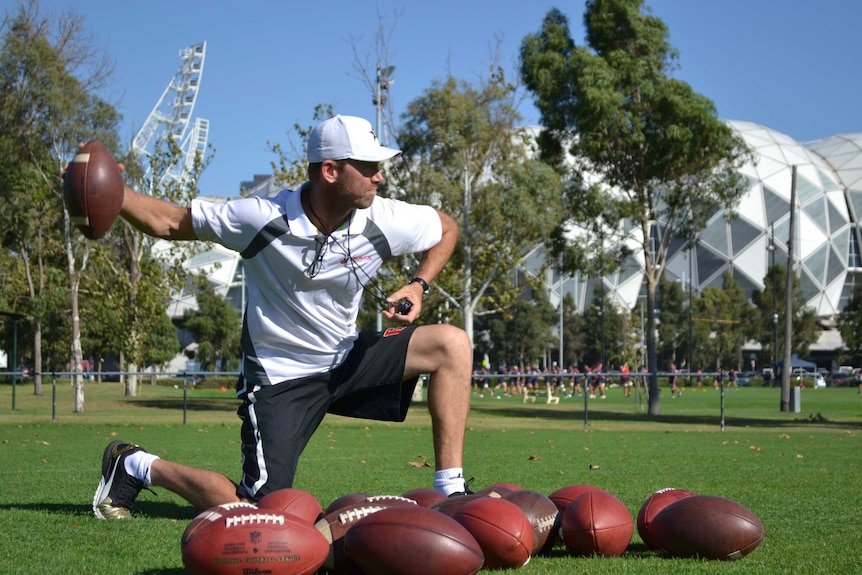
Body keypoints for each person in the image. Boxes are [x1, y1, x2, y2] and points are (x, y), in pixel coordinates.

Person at [91, 115, 474, 519]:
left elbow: (445, 228)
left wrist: (419, 284)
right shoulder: (260, 218)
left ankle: (451, 491)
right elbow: (168, 222)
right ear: (330, 171)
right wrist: (111, 191)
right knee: (259, 513)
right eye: (367, 167)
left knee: (452, 344)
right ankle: (134, 465)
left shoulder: (382, 218)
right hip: (280, 378)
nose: (378, 177)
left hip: (347, 360)